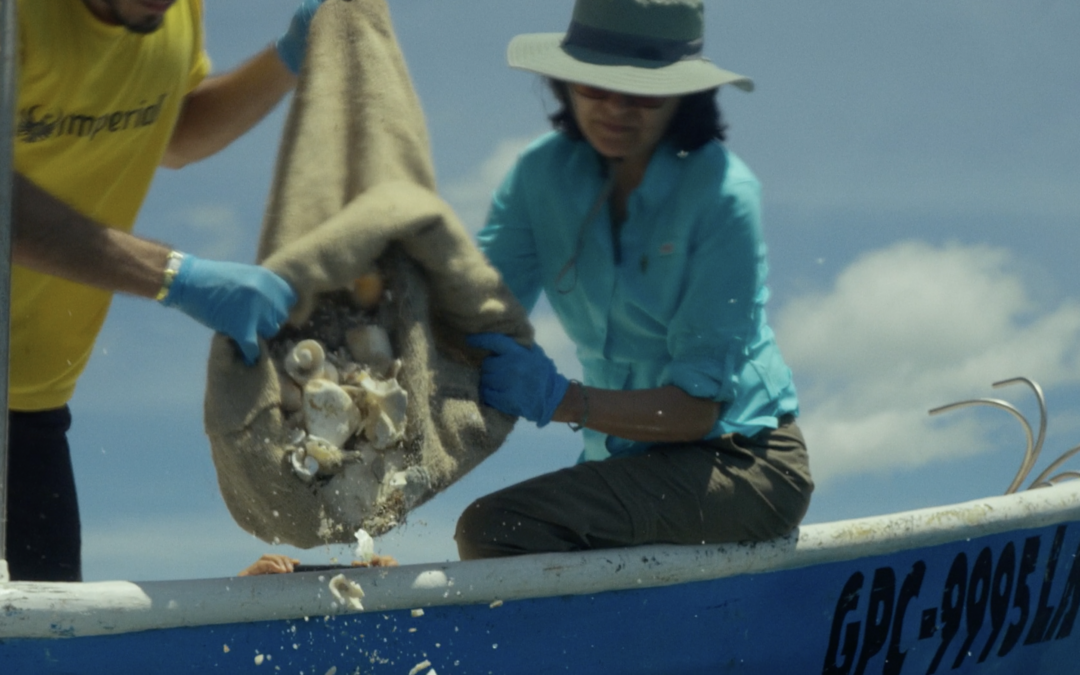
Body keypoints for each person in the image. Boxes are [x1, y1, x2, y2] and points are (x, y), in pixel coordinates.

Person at [456, 0, 814, 560]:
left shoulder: (725, 197)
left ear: (683, 95)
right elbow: (472, 313)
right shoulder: (539, 175)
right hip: (626, 462)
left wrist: (561, 400)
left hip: (745, 461)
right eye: (596, 88)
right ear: (567, 83)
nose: (615, 110)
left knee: (500, 526)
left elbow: (697, 412)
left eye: (643, 93)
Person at [7, 0, 328, 582]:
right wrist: (177, 278)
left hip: (32, 403)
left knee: (49, 654)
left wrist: (288, 58)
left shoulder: (174, 12)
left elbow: (171, 128)